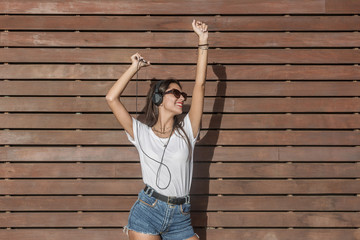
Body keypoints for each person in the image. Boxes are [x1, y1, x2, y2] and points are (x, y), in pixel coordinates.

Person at [106, 20, 208, 240]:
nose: (181, 98)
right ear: (159, 99)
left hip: (181, 216)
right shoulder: (141, 133)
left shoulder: (188, 131)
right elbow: (111, 98)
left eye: (183, 95)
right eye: (176, 93)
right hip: (147, 211)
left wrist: (203, 42)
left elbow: (200, 86)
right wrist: (134, 68)